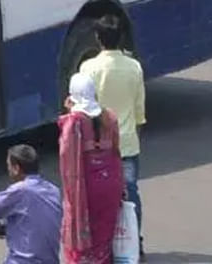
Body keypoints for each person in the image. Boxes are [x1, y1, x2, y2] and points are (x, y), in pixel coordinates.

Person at [80, 16, 147, 261]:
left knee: (100, 197)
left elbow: (85, 111)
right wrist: (134, 137)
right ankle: (134, 243)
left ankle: (104, 245)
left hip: (99, 147)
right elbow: (140, 111)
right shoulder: (134, 67)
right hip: (128, 143)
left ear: (98, 39)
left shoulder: (88, 69)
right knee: (130, 195)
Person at [60, 72, 124, 264]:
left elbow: (67, 159)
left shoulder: (75, 123)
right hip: (110, 184)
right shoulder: (109, 117)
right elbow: (116, 150)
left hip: (86, 189)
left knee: (82, 243)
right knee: (104, 237)